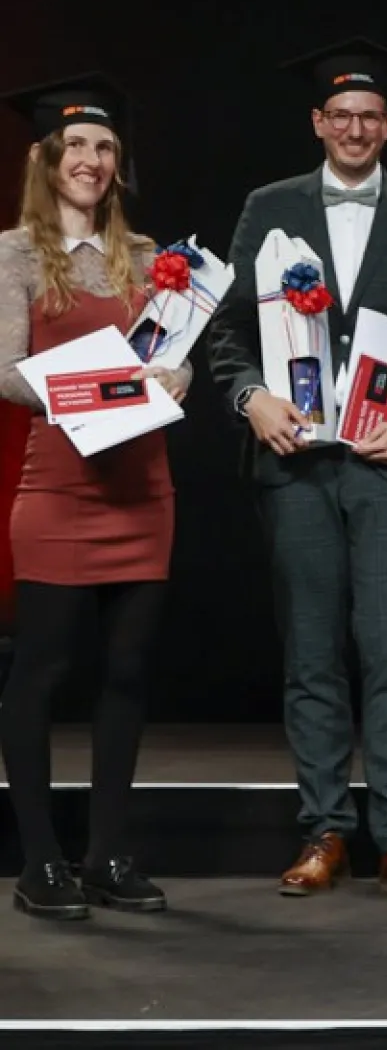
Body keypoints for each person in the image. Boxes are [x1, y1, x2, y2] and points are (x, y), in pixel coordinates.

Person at [208, 38, 387, 900]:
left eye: (369, 117)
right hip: (298, 467)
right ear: (318, 123)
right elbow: (225, 330)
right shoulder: (270, 206)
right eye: (340, 116)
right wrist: (250, 396)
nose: (355, 129)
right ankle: (324, 830)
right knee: (312, 656)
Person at [0, 77, 188, 920]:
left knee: (128, 671)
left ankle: (107, 853)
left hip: (142, 490)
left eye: (105, 148)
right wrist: (96, 388)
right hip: (59, 489)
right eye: (76, 146)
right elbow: (5, 371)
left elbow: (173, 353)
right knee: (41, 673)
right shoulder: (13, 254)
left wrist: (175, 376)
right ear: (46, 160)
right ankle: (41, 861)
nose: (92, 160)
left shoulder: (148, 257)